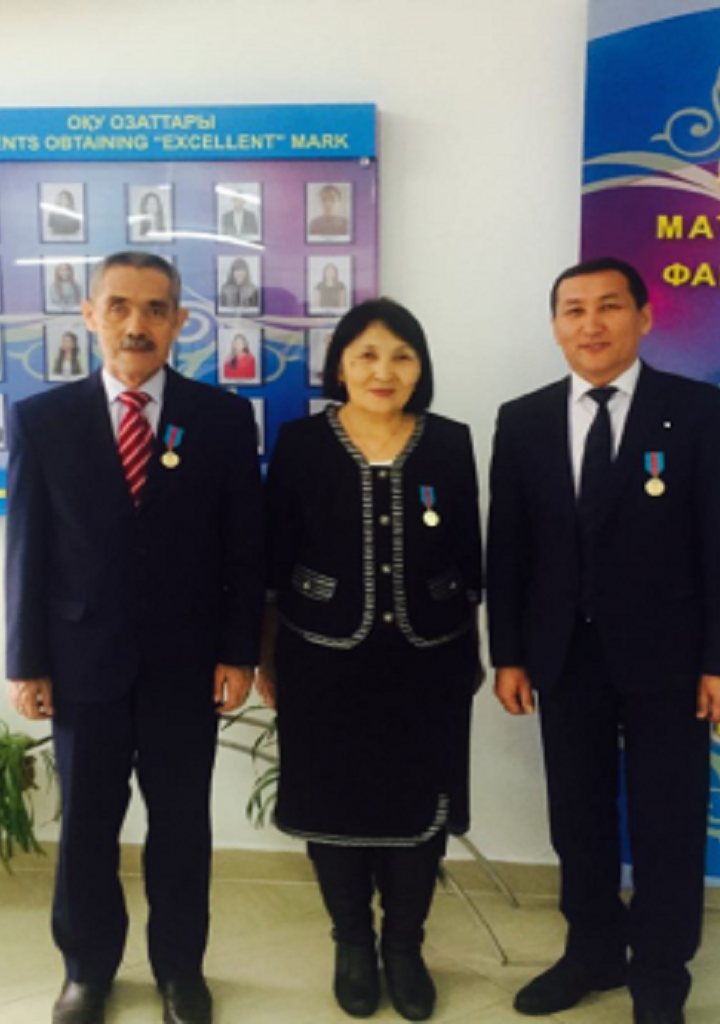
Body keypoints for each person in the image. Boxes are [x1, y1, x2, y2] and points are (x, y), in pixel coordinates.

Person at [486, 257, 720, 1024]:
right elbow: (509, 549)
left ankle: (661, 975)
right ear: (555, 327)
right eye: (573, 310)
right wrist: (509, 653)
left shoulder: (700, 411)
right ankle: (592, 951)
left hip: (672, 661)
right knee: (578, 819)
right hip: (563, 656)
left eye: (608, 306)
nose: (591, 324)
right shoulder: (525, 419)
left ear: (644, 316)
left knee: (669, 821)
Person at [5, 251, 263, 1024]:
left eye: (155, 309)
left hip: (188, 666)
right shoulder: (42, 420)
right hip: (82, 665)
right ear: (89, 314)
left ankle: (180, 971)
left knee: (181, 827)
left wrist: (240, 651)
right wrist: (26, 662)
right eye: (118, 306)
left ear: (180, 322)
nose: (136, 324)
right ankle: (87, 971)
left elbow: (243, 549)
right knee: (87, 826)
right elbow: (27, 550)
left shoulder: (222, 419)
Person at [259, 298, 482, 1022]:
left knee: (421, 804)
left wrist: (474, 653)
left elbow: (471, 561)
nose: (384, 371)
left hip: (430, 659)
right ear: (340, 368)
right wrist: (266, 656)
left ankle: (405, 948)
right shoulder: (300, 444)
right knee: (334, 803)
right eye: (366, 355)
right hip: (321, 658)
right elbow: (273, 560)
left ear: (421, 368)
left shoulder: (450, 443)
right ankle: (352, 944)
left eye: (401, 356)